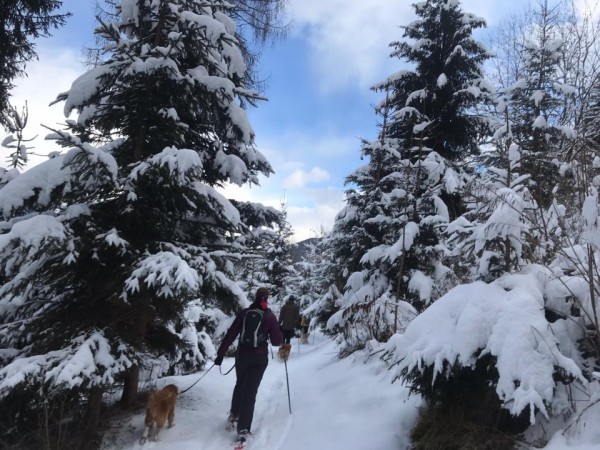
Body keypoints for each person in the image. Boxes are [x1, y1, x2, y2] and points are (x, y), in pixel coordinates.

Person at [214, 287, 283, 448]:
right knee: (250, 392)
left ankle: (234, 414)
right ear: (267, 298)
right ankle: (243, 431)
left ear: (255, 297)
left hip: (242, 357)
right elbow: (276, 342)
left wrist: (220, 354)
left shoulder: (244, 313)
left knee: (240, 384)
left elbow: (231, 334)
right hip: (259, 359)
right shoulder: (270, 316)